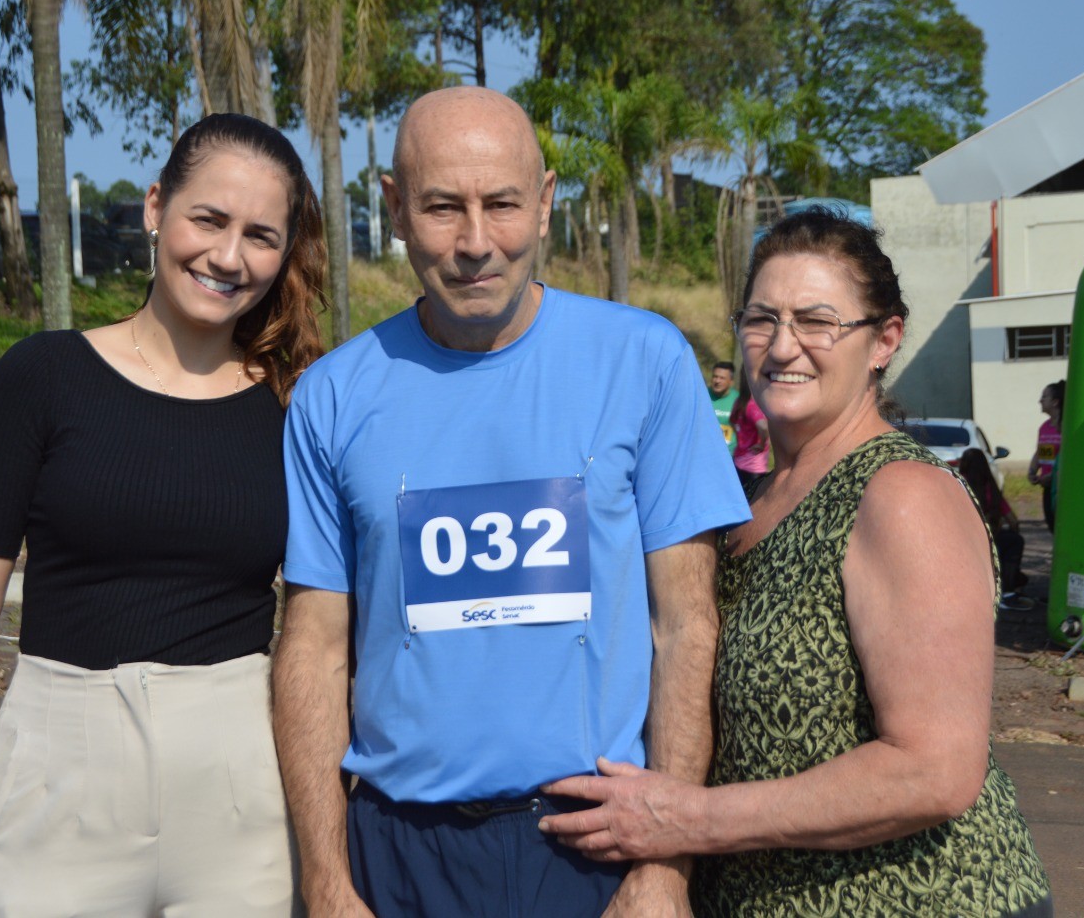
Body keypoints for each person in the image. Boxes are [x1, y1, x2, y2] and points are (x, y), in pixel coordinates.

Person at [273, 86, 750, 918]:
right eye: (441, 207)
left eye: (502, 204)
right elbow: (312, 650)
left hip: (593, 848)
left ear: (546, 200)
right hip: (395, 855)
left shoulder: (644, 362)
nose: (475, 243)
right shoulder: (331, 398)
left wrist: (663, 865)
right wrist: (324, 876)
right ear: (391, 207)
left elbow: (685, 626)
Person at [540, 209, 1052, 917]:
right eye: (761, 319)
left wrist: (687, 819)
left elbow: (936, 769)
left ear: (884, 340)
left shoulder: (900, 495)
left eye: (817, 321)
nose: (783, 347)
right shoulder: (741, 497)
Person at [0, 114, 326, 918]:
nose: (228, 256)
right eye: (208, 219)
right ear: (154, 208)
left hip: (240, 792)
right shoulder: (42, 378)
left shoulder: (297, 407)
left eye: (260, 235)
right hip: (53, 783)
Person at [959, 447, 1029, 609]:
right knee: (1014, 541)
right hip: (991, 538)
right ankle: (1008, 590)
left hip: (963, 540)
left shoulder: (958, 484)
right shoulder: (991, 488)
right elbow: (1013, 520)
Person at [1026, 380, 1064, 532]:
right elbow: (1040, 451)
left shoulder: (1065, 425)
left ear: (1055, 402)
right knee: (1051, 525)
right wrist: (1032, 472)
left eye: (1044, 397)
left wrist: (1053, 477)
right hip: (1047, 486)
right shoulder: (1044, 427)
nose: (1040, 401)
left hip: (1061, 485)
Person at [729, 377, 769, 493]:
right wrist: (761, 444)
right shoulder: (753, 406)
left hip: (739, 459)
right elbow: (763, 427)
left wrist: (740, 436)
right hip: (754, 465)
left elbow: (732, 420)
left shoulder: (739, 402)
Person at [709, 361, 738, 453]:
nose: (717, 381)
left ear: (731, 381)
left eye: (722, 378)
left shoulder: (738, 401)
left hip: (729, 457)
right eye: (715, 377)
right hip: (704, 453)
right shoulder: (702, 395)